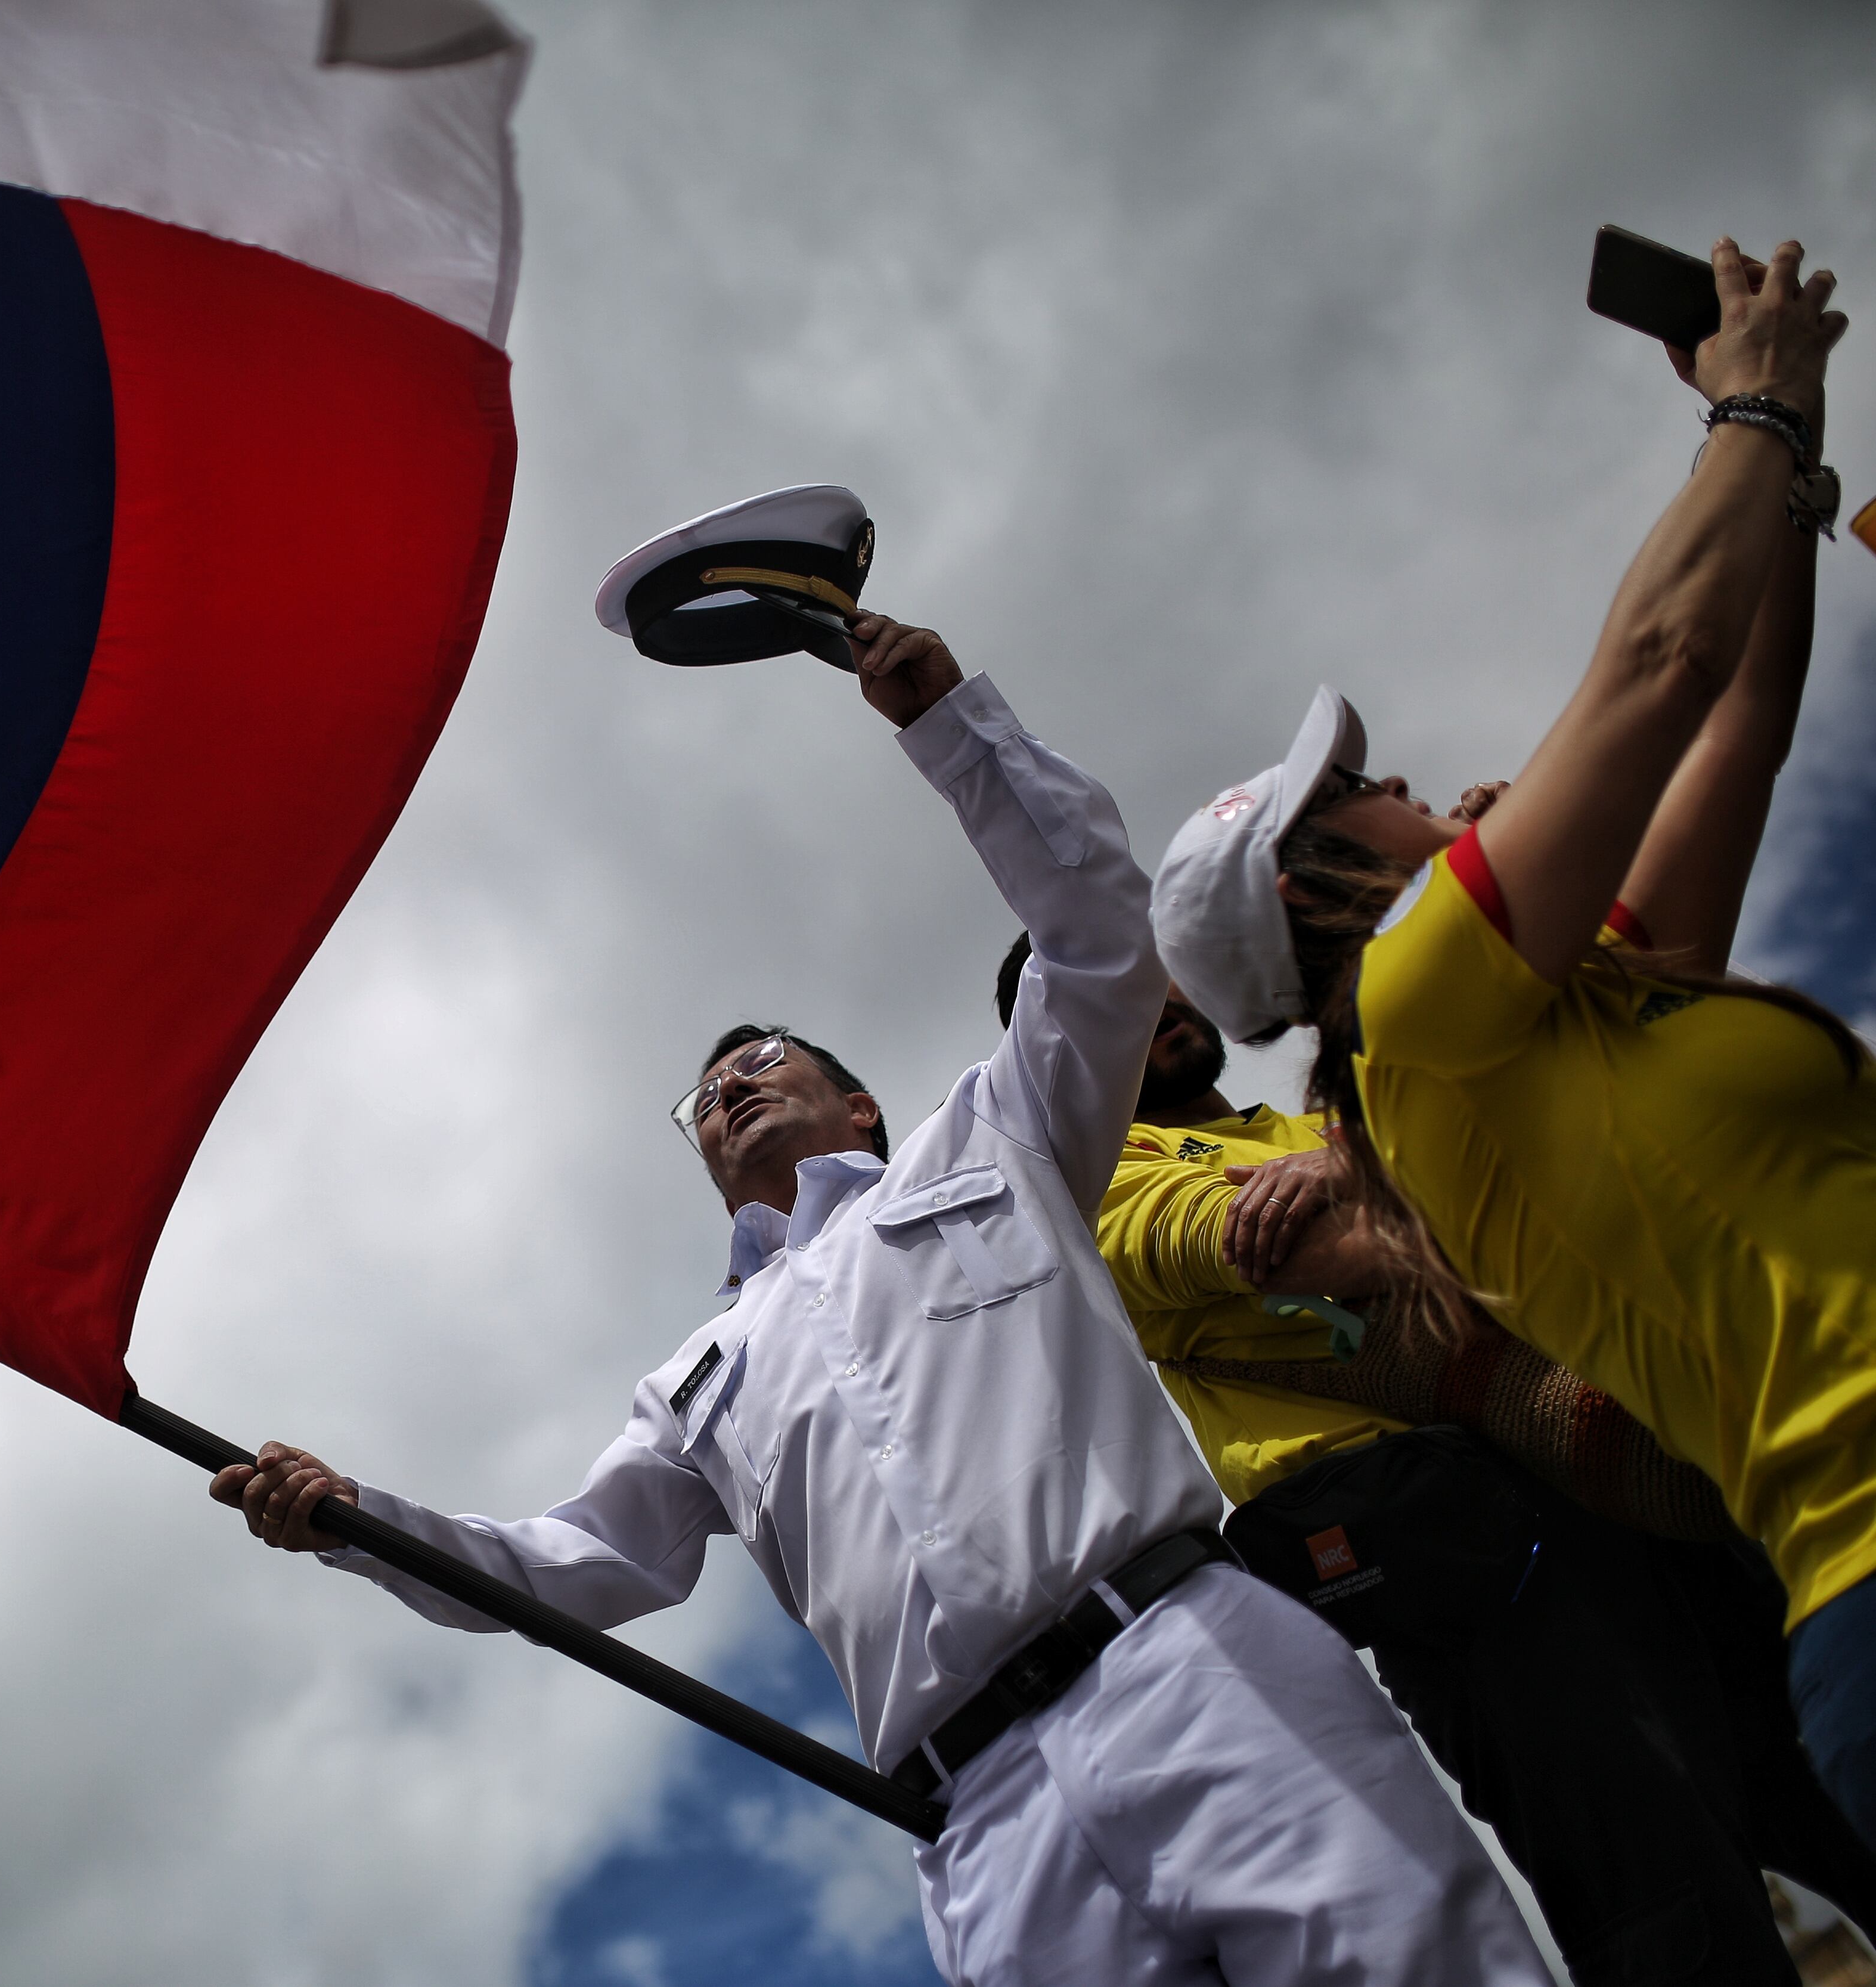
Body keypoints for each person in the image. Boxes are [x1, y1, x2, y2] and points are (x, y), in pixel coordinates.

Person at [215, 612, 1549, 1983]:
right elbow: (571, 1565)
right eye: (704, 1092)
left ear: (858, 1100)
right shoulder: (692, 1382)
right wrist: (358, 1523)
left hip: (1186, 1664)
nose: (728, 1082)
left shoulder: (994, 1135)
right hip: (979, 1819)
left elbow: (1098, 935)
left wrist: (948, 723)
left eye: (764, 1056)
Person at [1147, 238, 1876, 1842]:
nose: (1397, 771)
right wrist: (1746, 410)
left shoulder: (1565, 1013)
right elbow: (1659, 664)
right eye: (1352, 792)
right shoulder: (1417, 1016)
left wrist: (1793, 452)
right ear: (1324, 888)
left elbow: (1739, 706)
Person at [1001, 939, 1876, 1982]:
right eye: (1110, 997)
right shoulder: (1100, 1191)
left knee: (1842, 1808)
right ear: (1061, 1053)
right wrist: (1407, 1170)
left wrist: (1364, 1166)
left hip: (1618, 1472)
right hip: (1473, 1570)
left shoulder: (1312, 1128)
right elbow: (1320, 1244)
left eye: (1155, 971)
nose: (1153, 999)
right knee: (1667, 1911)